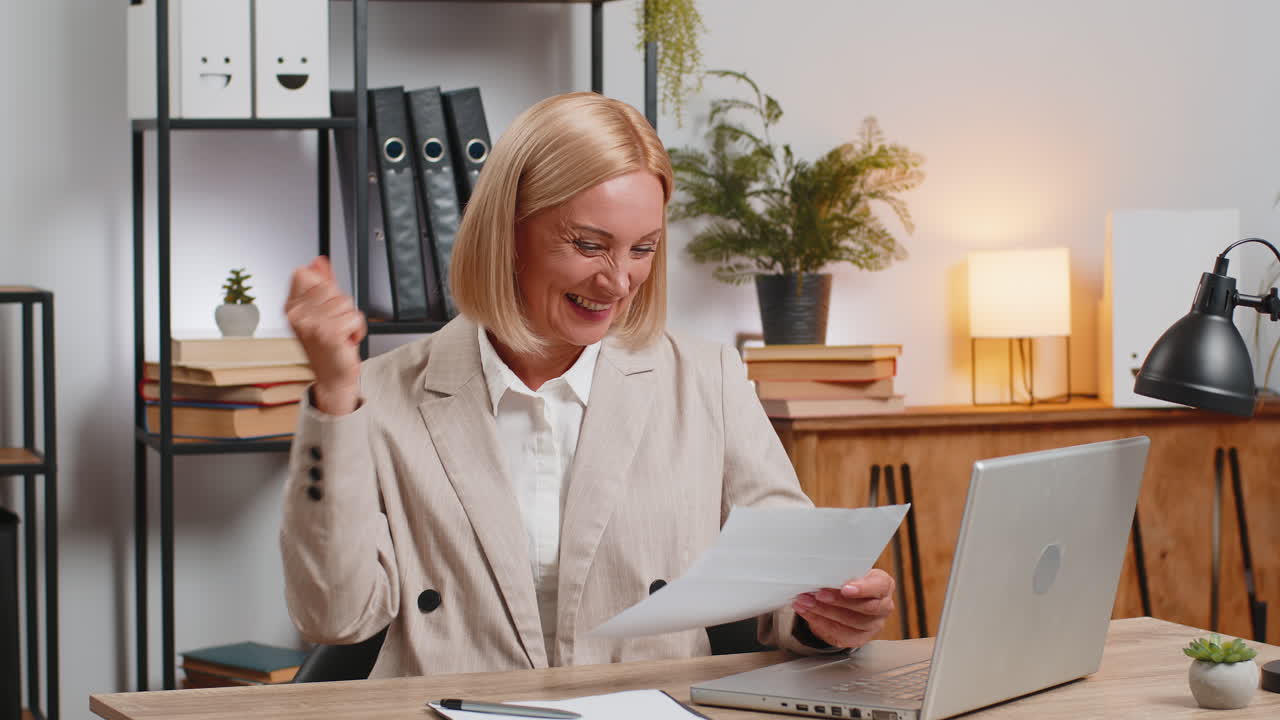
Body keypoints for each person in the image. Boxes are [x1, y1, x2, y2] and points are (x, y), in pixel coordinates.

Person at [280, 91, 896, 678]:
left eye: (642, 249)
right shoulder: (380, 394)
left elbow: (790, 589)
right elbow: (334, 613)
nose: (618, 282)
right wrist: (335, 394)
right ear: (509, 231)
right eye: (589, 245)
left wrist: (834, 615)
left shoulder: (708, 380)